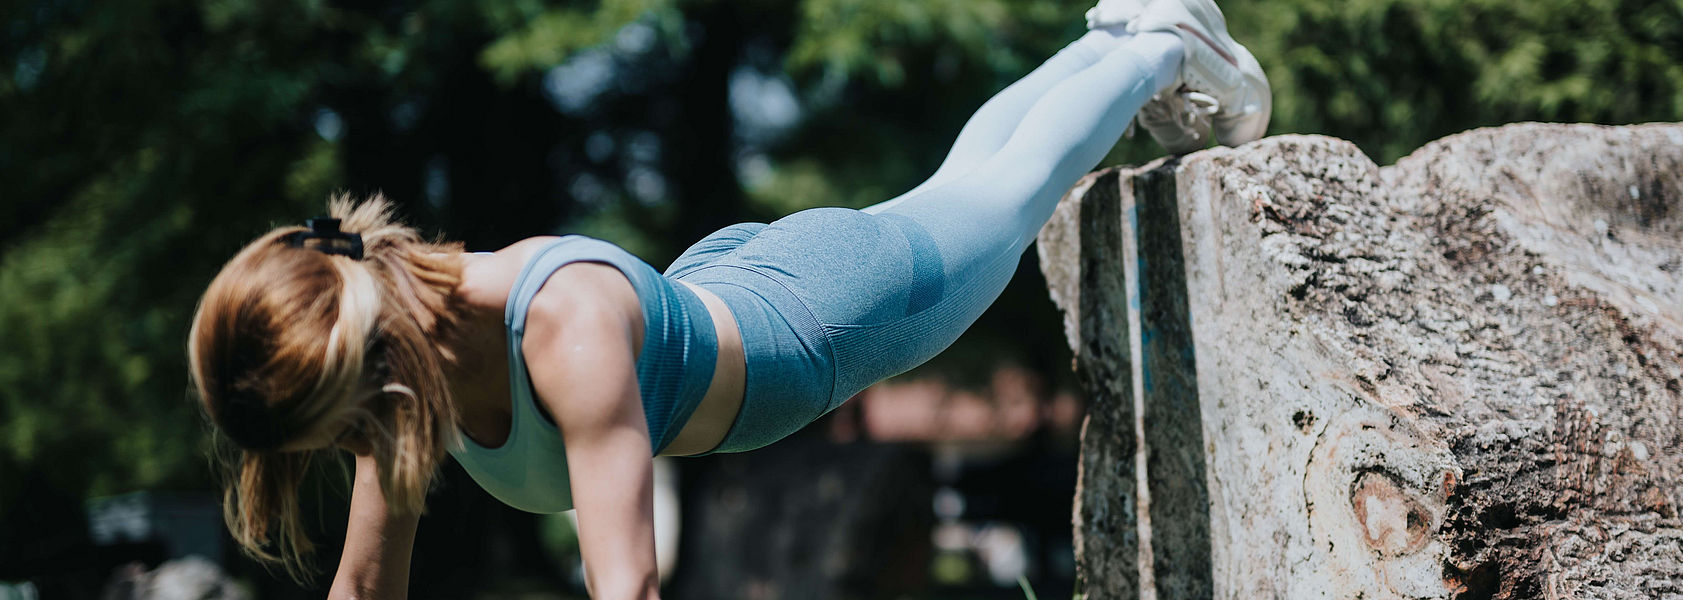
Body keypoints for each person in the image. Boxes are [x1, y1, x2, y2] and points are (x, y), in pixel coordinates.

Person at [186, 0, 1270, 597]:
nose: (349, 454)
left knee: (997, 198)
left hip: (816, 322)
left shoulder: (559, 332)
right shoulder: (397, 361)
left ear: (365, 369)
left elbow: (628, 586)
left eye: (331, 434)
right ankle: (1114, 37)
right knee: (960, 192)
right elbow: (366, 592)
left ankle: (1165, 45)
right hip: (718, 292)